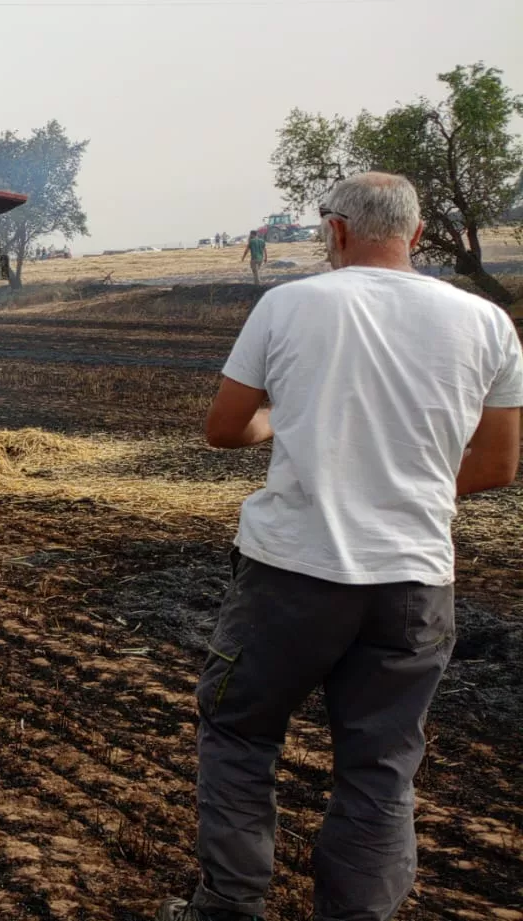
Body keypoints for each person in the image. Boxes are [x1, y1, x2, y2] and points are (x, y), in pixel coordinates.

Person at [160, 172, 522, 921]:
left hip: (292, 573)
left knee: (240, 733)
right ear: (416, 234)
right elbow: (496, 466)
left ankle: (228, 907)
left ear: (336, 231)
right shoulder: (488, 323)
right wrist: (403, 490)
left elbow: (225, 428)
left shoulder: (289, 304)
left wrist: (278, 425)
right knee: (381, 767)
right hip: (415, 581)